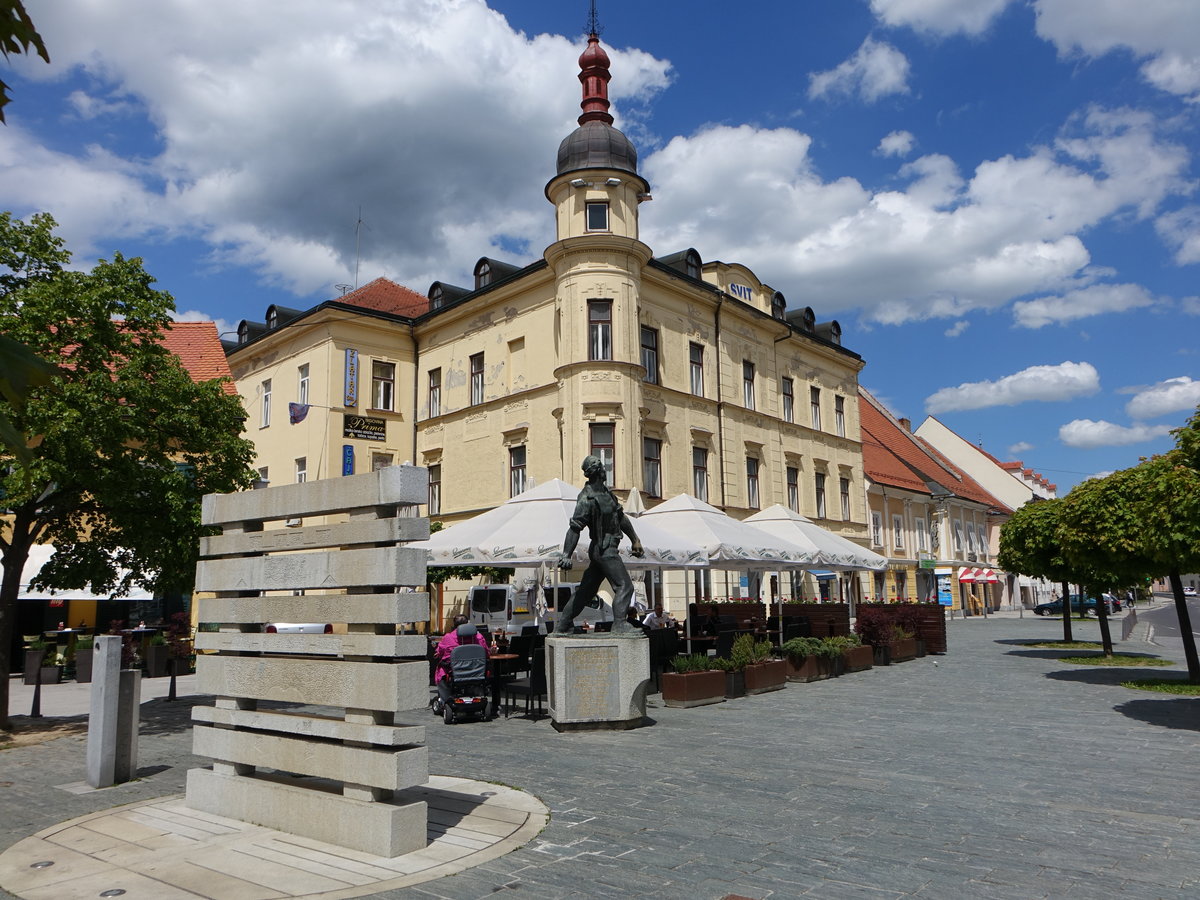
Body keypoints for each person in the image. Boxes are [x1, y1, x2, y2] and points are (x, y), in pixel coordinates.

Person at [556, 455, 645, 634]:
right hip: (604, 550)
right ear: (596, 471)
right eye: (602, 468)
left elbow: (620, 517)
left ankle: (563, 624)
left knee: (586, 592)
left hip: (606, 549)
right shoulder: (586, 498)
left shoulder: (607, 493)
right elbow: (575, 528)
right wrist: (566, 555)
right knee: (624, 586)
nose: (605, 471)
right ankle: (619, 623)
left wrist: (635, 539)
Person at [433, 614, 489, 707]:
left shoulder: (448, 638)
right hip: (477, 671)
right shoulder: (479, 637)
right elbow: (486, 653)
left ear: (454, 625)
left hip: (455, 672)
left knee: (441, 672)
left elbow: (439, 653)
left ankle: (445, 699)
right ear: (467, 624)